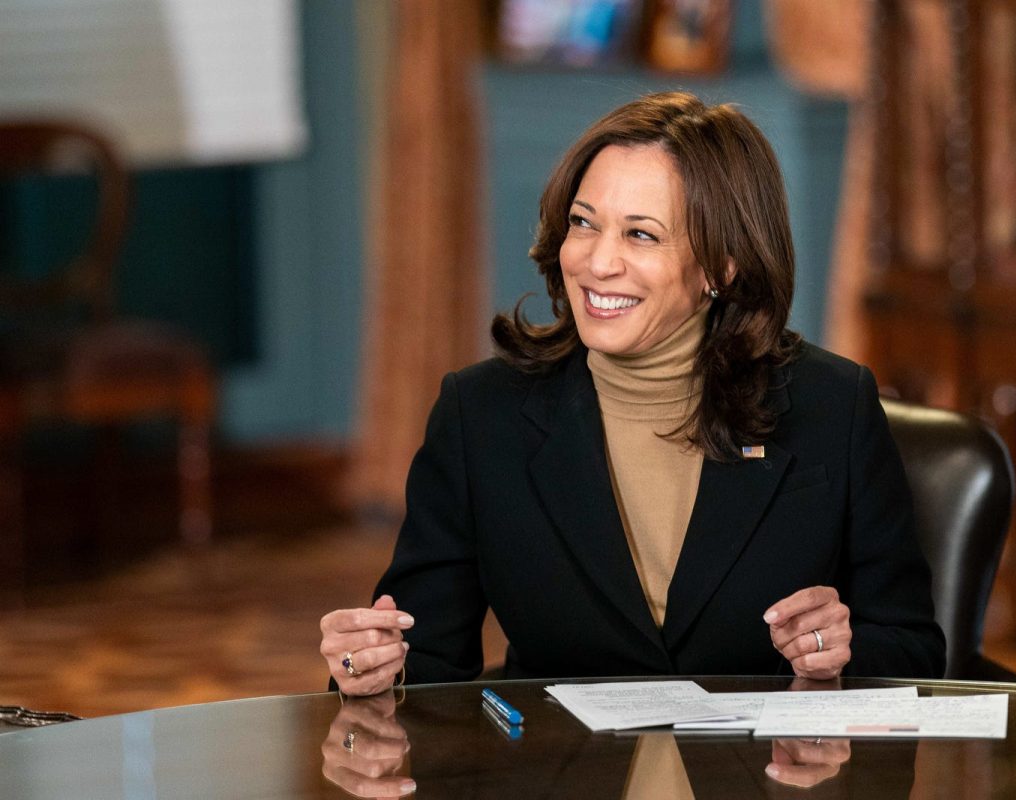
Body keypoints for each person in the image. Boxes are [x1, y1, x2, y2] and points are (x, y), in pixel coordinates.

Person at [320, 91, 945, 696]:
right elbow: (418, 654)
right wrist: (365, 667)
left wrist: (841, 651)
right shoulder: (481, 415)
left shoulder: (832, 405)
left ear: (721, 266)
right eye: (583, 224)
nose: (597, 262)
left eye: (640, 235)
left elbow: (914, 648)